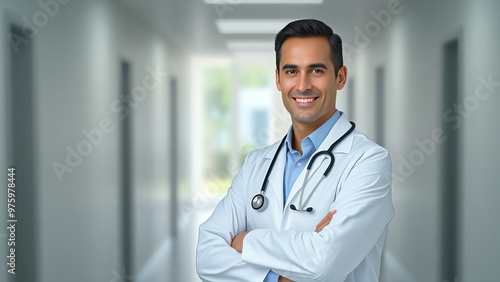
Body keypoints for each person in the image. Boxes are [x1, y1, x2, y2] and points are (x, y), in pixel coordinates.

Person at [196, 19, 394, 282]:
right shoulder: (257, 163)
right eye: (291, 71)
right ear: (278, 79)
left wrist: (245, 241)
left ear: (340, 77)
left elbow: (324, 263)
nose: (302, 85)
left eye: (316, 71)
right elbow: (206, 256)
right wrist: (279, 276)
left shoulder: (368, 161)